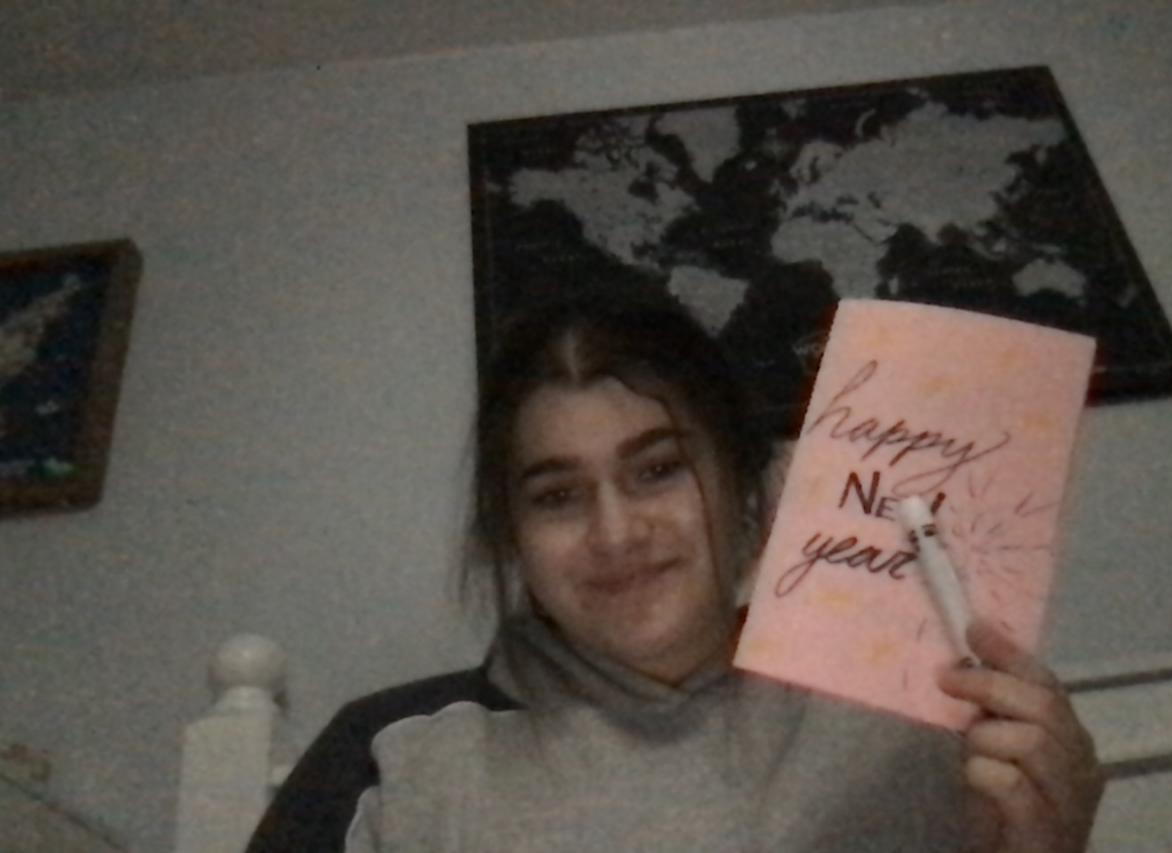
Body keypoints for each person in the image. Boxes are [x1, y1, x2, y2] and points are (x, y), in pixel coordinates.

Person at [246, 290, 1104, 852]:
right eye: (557, 495)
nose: (616, 532)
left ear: (743, 488)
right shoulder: (391, 759)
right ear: (512, 534)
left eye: (657, 469)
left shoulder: (927, 732)